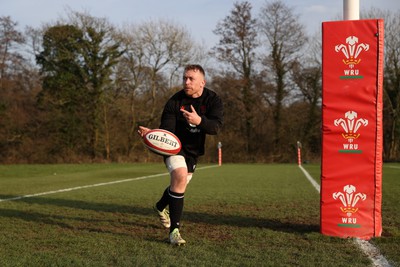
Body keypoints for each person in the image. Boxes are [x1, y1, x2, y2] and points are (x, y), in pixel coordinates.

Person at [137, 64, 223, 245]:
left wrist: (198, 120)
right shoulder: (174, 102)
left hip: (193, 151)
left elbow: (215, 127)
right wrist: (152, 135)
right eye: (184, 78)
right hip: (174, 148)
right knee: (180, 176)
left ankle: (160, 206)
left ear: (202, 82)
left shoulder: (213, 99)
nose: (186, 82)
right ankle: (174, 231)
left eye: (191, 79)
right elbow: (166, 131)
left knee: (181, 183)